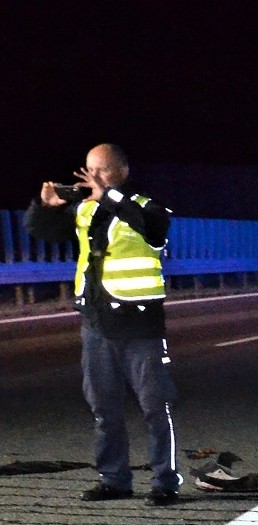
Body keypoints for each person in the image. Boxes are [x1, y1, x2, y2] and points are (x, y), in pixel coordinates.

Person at [24, 143, 182, 506]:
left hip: (139, 324)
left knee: (156, 406)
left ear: (123, 171)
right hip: (96, 324)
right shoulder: (85, 210)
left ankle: (165, 481)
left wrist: (108, 195)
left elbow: (154, 230)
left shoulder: (145, 206)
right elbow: (42, 230)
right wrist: (44, 206)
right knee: (103, 407)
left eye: (103, 171)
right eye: (89, 170)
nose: (93, 177)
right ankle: (114, 479)